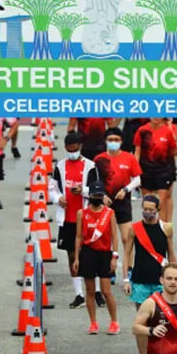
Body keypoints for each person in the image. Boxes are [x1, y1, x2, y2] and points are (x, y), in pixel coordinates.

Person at [123, 194, 177, 354]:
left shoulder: (166, 228)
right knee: (142, 322)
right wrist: (126, 279)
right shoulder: (134, 229)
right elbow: (127, 254)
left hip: (160, 283)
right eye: (144, 209)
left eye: (150, 209)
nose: (147, 212)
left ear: (158, 210)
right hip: (139, 282)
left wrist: (175, 279)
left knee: (164, 321)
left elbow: (171, 255)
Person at [49, 132, 99, 309]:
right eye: (70, 150)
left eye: (75, 150)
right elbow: (52, 189)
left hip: (87, 217)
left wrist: (83, 190)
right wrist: (57, 199)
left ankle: (96, 291)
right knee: (72, 255)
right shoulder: (60, 166)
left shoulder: (90, 167)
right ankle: (79, 294)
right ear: (65, 149)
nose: (73, 153)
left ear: (80, 147)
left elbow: (96, 190)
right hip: (67, 218)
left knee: (92, 254)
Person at [94, 127, 142, 277]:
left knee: (127, 237)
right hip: (104, 204)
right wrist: (101, 195)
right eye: (110, 140)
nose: (113, 142)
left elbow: (137, 179)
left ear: (121, 141)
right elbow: (94, 181)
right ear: (105, 141)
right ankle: (110, 270)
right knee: (106, 238)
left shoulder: (129, 158)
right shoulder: (99, 159)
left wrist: (126, 190)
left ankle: (129, 270)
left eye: (116, 140)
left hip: (123, 202)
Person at [73, 181, 119, 335]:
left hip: (104, 254)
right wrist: (77, 258)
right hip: (88, 253)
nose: (97, 198)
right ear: (89, 195)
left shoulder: (109, 213)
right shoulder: (82, 213)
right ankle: (93, 323)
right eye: (95, 195)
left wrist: (114, 257)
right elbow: (78, 237)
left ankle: (114, 322)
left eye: (100, 195)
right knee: (90, 290)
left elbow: (114, 236)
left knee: (106, 291)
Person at [134, 118, 177, 224]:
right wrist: (135, 172)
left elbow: (172, 151)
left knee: (160, 203)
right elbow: (137, 152)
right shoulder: (142, 130)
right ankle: (149, 231)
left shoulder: (167, 131)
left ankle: (163, 230)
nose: (155, 117)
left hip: (163, 171)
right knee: (148, 204)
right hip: (146, 170)